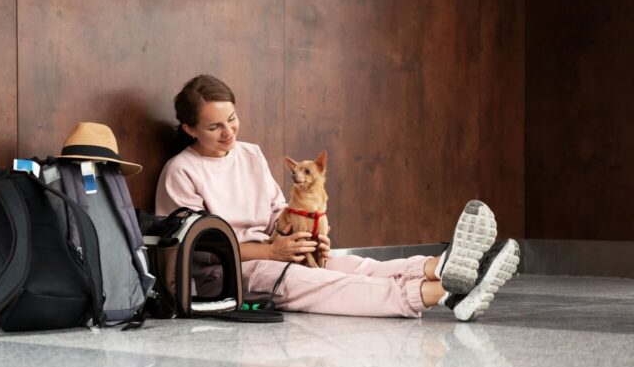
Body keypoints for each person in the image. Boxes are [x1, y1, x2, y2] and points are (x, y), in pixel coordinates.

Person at [155, 75, 520, 321]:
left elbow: (279, 211)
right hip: (230, 274)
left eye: (232, 119)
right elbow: (195, 248)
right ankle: (446, 291)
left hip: (279, 249)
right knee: (327, 285)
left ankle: (442, 269)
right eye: (214, 126)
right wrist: (271, 252)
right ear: (189, 129)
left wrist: (309, 234)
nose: (229, 132)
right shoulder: (181, 171)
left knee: (356, 266)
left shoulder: (250, 154)